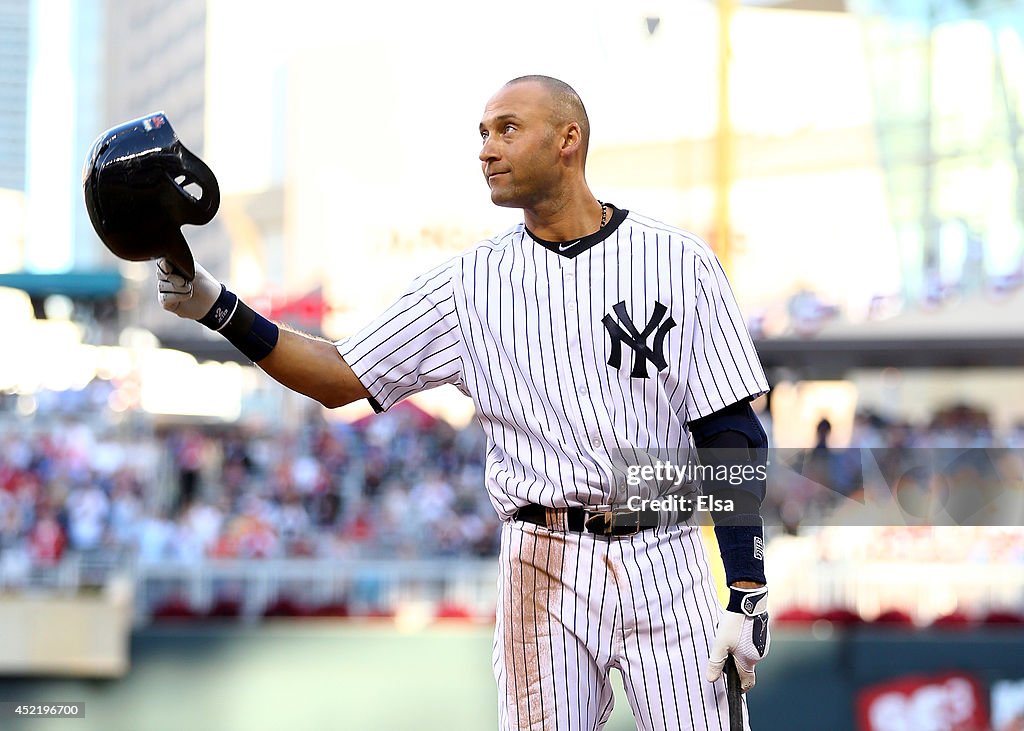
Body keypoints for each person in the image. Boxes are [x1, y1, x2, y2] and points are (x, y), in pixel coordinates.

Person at [157, 75, 771, 731]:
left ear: (569, 139)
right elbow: (341, 374)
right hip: (543, 556)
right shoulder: (467, 284)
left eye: (507, 128)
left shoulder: (676, 259)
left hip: (665, 548)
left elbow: (728, 429)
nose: (487, 148)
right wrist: (220, 308)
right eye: (482, 132)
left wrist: (745, 585)